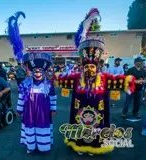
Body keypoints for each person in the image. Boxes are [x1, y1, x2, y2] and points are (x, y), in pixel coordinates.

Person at [55, 8, 135, 156]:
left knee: (96, 127)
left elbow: (119, 81)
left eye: (92, 66)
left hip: (98, 111)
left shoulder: (104, 77)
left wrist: (128, 81)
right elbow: (61, 80)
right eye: (87, 66)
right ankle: (78, 144)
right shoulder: (76, 77)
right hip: (80, 112)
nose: (89, 69)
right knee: (79, 125)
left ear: (97, 66)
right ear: (83, 67)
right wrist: (52, 77)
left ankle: (95, 146)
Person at [7, 12, 57, 154]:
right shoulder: (25, 83)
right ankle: (31, 146)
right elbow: (22, 97)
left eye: (40, 71)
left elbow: (53, 97)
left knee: (43, 126)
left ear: (44, 72)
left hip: (43, 112)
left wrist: (53, 108)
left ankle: (43, 147)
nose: (37, 73)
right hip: (29, 112)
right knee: (30, 126)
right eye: (35, 71)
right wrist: (19, 109)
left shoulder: (48, 84)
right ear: (31, 71)